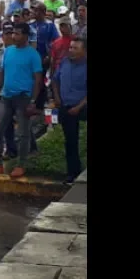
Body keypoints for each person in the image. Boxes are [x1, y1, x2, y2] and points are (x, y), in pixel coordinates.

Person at [0, 22, 43, 178]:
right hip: (6, 96)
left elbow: (38, 80)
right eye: (13, 33)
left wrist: (33, 101)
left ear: (26, 36)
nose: (14, 36)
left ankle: (21, 164)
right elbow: (2, 72)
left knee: (23, 133)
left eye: (18, 33)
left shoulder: (33, 55)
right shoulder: (8, 51)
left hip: (24, 98)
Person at [51, 38, 87, 184]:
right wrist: (57, 97)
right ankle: (73, 172)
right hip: (66, 106)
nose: (71, 50)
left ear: (84, 51)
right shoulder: (64, 62)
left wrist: (79, 107)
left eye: (75, 48)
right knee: (70, 141)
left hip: (83, 106)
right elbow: (55, 80)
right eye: (71, 48)